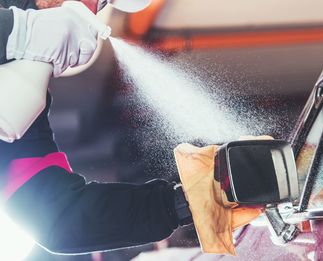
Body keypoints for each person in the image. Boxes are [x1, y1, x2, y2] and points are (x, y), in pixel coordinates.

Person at [0, 0, 192, 254]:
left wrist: (183, 202)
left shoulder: (21, 96)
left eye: (103, 2)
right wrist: (19, 31)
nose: (91, 9)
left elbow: (58, 216)